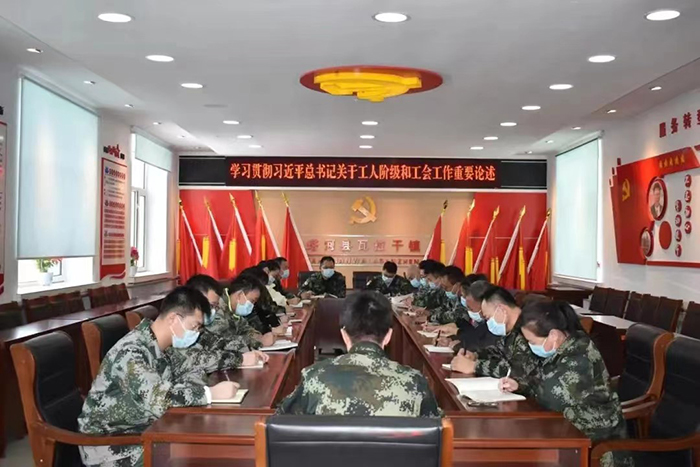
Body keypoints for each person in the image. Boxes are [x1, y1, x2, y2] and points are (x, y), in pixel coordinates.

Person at [78, 287, 240, 467]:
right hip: (112, 446)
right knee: (199, 454)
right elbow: (159, 400)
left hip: (148, 430)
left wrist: (196, 387)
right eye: (194, 326)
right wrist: (209, 394)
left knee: (208, 447)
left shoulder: (161, 346)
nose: (197, 333)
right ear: (173, 319)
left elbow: (193, 367)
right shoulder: (131, 352)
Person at [499, 301, 633, 467]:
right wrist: (520, 385)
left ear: (553, 335)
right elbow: (541, 380)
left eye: (531, 342)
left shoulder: (579, 356)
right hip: (569, 432)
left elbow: (551, 396)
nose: (529, 346)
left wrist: (528, 385)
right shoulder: (565, 346)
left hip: (597, 446)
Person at [277, 291, 441, 417]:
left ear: (344, 335)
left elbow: (282, 422)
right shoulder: (415, 382)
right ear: (389, 336)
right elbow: (437, 432)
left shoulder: (314, 377)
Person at [168, 275, 268, 376]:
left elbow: (221, 343)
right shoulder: (178, 332)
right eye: (211, 305)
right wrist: (240, 359)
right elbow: (195, 360)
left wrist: (251, 349)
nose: (213, 311)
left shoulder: (199, 329)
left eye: (215, 307)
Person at [449, 286, 539, 379]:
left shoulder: (528, 329)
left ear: (501, 309)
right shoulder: (509, 331)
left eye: (488, 317)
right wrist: (475, 356)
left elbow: (517, 371)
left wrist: (474, 366)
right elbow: (496, 351)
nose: (488, 323)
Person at [239, 266, 286, 335]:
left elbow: (266, 312)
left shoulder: (254, 299)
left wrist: (272, 327)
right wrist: (270, 331)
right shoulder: (242, 304)